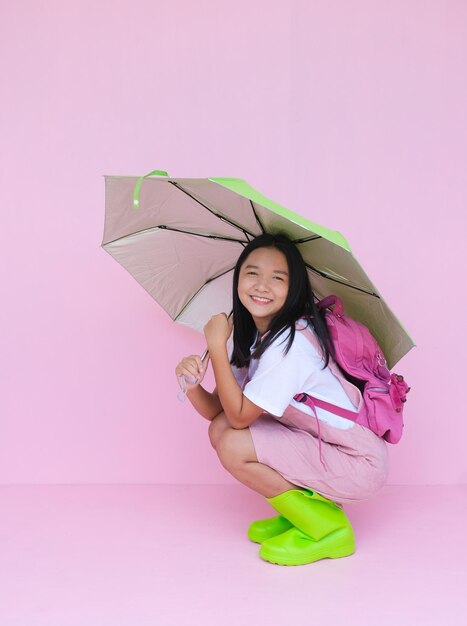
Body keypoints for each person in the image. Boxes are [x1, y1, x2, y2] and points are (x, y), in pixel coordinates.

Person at [175, 233, 389, 566]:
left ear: (295, 290)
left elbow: (239, 418)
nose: (262, 285)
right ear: (238, 279)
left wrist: (216, 347)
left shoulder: (290, 346)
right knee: (219, 431)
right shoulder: (255, 337)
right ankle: (302, 511)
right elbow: (218, 411)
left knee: (232, 442)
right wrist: (191, 384)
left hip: (356, 462)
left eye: (278, 278)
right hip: (322, 445)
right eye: (252, 273)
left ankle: (328, 528)